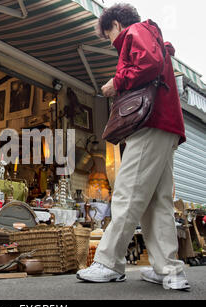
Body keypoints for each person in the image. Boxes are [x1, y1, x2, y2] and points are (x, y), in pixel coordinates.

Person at [76, 3, 190, 290]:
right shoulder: (152, 34)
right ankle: (169, 270)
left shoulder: (134, 32)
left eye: (107, 36)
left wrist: (117, 81)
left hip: (150, 125)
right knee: (156, 201)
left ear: (115, 24)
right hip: (166, 125)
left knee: (127, 194)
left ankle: (108, 262)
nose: (110, 42)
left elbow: (146, 64)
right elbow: (154, 64)